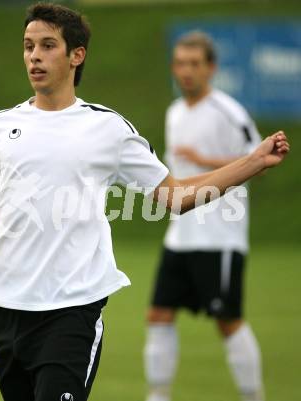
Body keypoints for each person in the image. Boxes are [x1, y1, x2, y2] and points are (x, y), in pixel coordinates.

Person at [0, 4, 289, 401]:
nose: (34, 55)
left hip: (72, 311)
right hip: (4, 310)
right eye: (28, 45)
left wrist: (253, 162)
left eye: (48, 45)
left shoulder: (107, 128)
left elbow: (174, 196)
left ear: (76, 55)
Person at [144, 31, 268, 401]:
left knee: (227, 321)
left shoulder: (228, 111)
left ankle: (253, 395)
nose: (186, 71)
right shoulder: (174, 112)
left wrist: (205, 161)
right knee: (158, 315)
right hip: (180, 235)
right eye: (180, 63)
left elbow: (258, 160)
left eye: (194, 64)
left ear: (211, 68)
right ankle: (158, 395)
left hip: (220, 236)